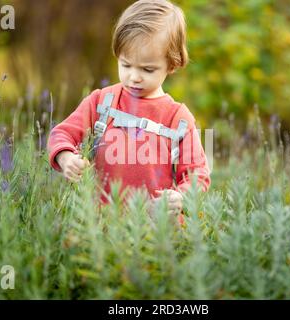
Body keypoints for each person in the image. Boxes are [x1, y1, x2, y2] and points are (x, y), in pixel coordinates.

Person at [47, 0, 210, 218]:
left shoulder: (177, 118)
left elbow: (197, 174)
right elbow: (62, 133)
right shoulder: (102, 102)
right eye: (125, 65)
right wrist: (65, 158)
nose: (134, 77)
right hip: (100, 227)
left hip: (155, 232)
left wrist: (181, 196)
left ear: (171, 65)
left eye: (147, 69)